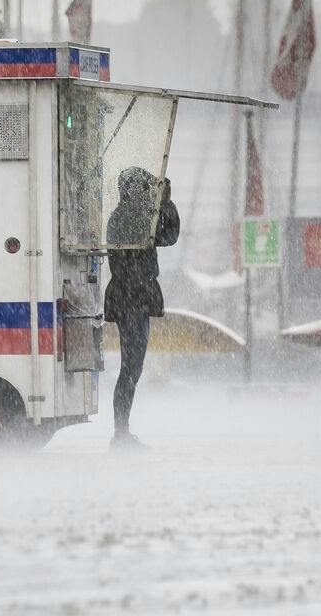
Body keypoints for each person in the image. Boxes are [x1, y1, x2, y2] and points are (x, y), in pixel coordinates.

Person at [103, 167, 180, 449]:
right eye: (146, 189)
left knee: (132, 367)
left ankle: (121, 431)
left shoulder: (122, 216)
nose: (150, 194)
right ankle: (120, 433)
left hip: (130, 297)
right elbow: (169, 235)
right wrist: (166, 202)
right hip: (132, 298)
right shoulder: (133, 217)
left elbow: (167, 235)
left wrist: (163, 203)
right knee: (131, 367)